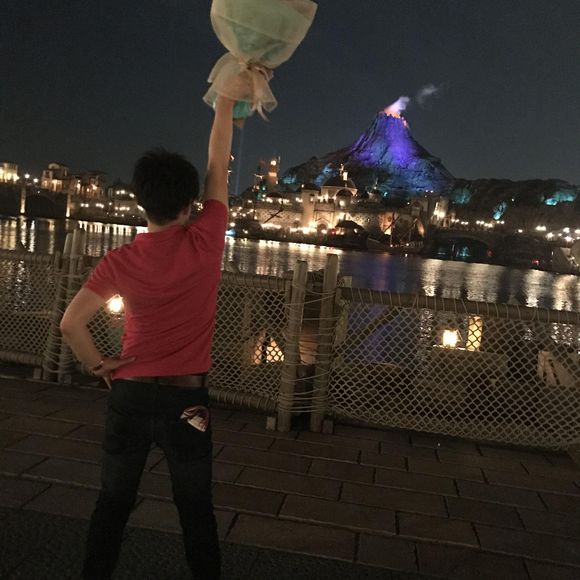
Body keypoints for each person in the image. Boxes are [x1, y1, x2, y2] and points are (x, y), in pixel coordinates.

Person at [60, 95, 236, 580]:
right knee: (195, 510)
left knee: (113, 503)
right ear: (188, 205)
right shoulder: (205, 240)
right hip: (187, 401)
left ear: (141, 201)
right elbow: (217, 164)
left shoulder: (119, 261)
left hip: (130, 395)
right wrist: (225, 101)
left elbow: (71, 324)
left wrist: (100, 365)